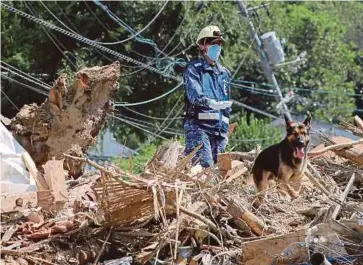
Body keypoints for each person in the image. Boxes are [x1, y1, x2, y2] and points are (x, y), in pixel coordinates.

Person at [183, 25, 232, 168]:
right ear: (202, 45)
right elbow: (194, 95)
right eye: (213, 43)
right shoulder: (194, 69)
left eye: (219, 44)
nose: (217, 47)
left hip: (219, 133)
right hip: (199, 129)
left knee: (217, 173)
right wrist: (210, 103)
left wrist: (225, 131)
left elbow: (226, 107)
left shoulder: (224, 73)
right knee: (204, 168)